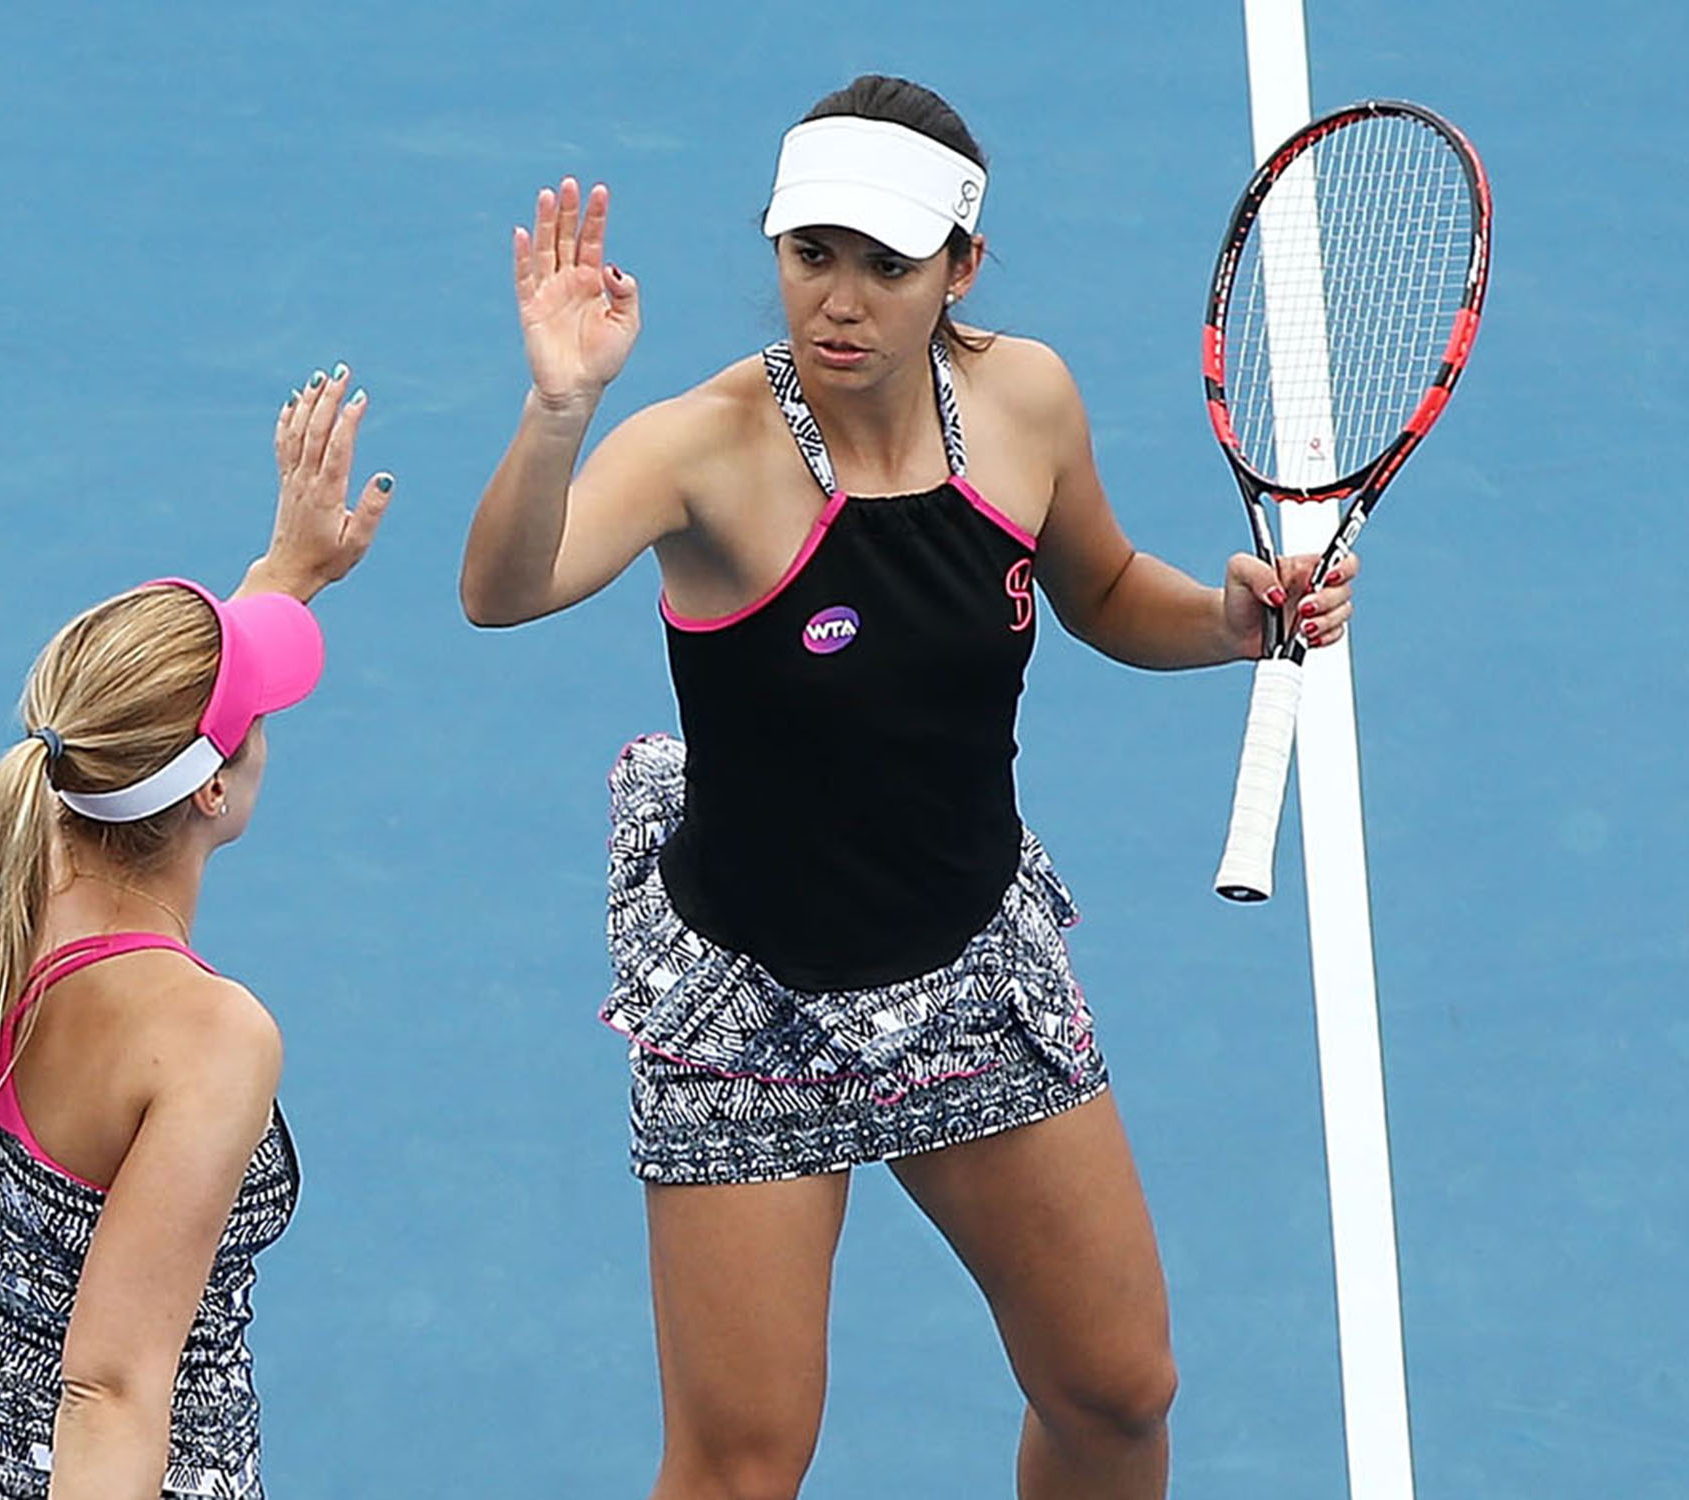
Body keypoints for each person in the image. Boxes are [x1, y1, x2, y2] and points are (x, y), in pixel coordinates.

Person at [460, 76, 1357, 1500]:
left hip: (966, 975)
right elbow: (502, 592)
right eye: (813, 254)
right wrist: (559, 412)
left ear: (961, 268)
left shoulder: (1025, 404)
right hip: (751, 1007)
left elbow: (1109, 588)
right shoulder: (705, 451)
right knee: (741, 1468)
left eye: (888, 263)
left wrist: (1230, 623)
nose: (843, 300)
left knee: (1119, 1395)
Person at [0, 365, 391, 1499]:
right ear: (214, 794)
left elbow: (149, 731)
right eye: (254, 719)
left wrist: (285, 574)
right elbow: (111, 1391)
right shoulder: (206, 1040)